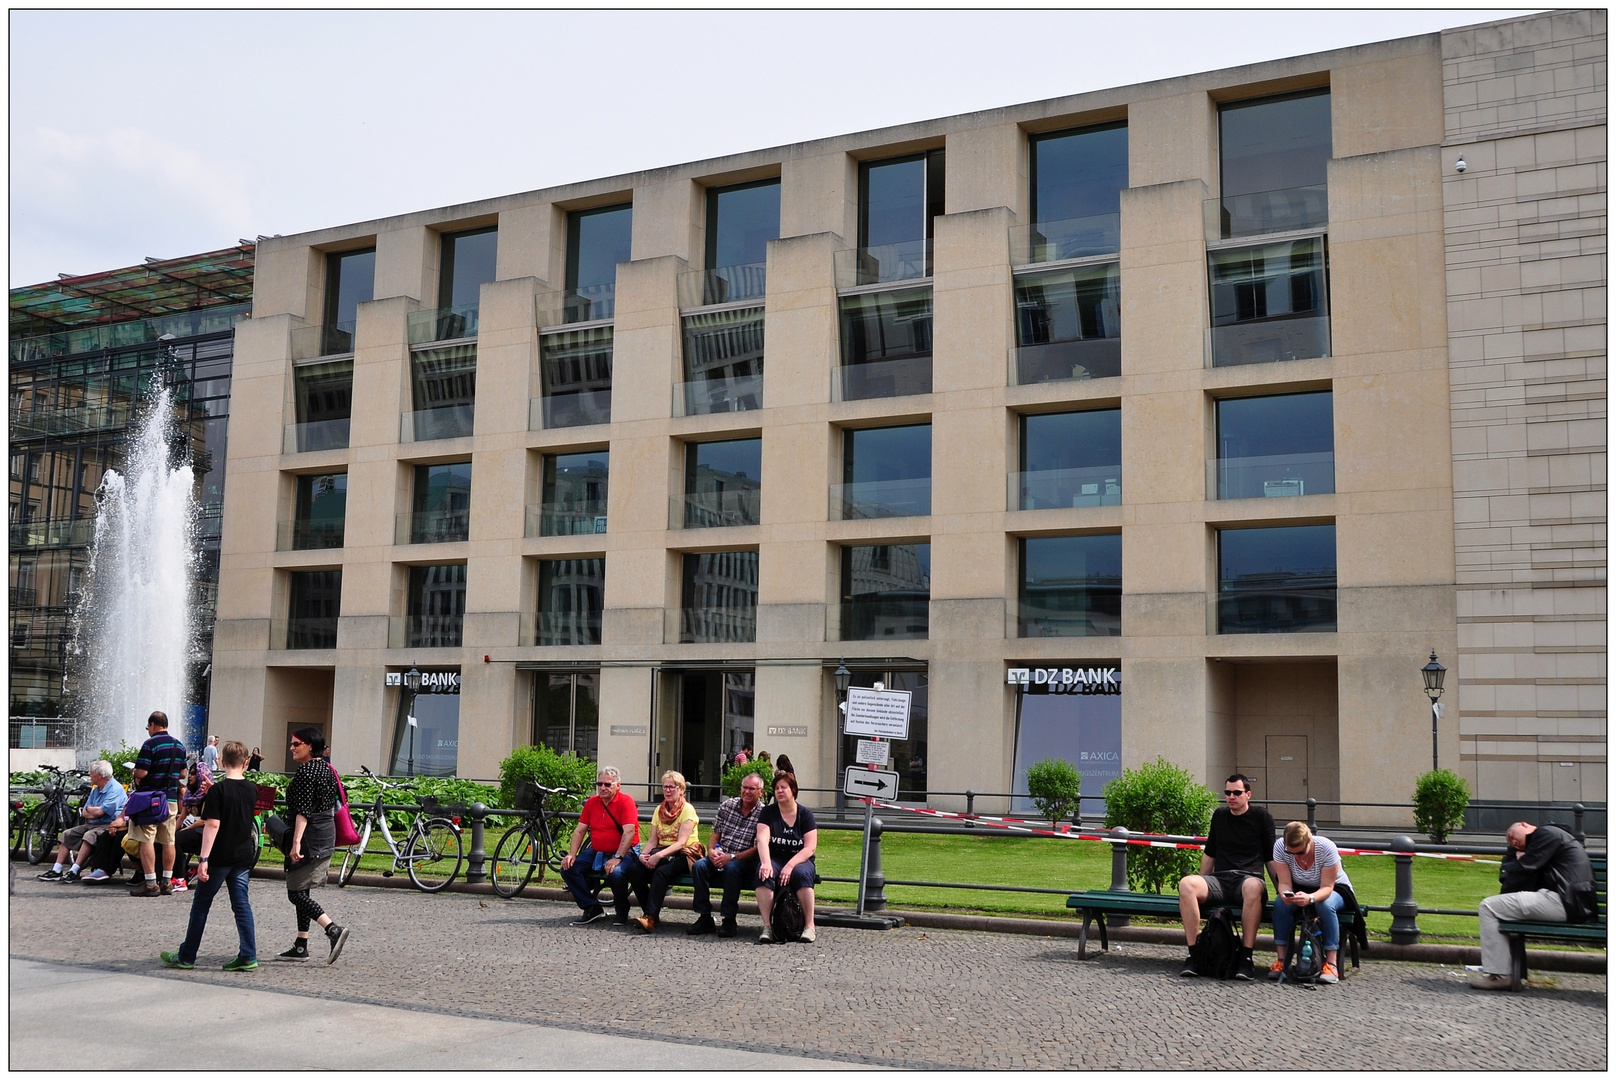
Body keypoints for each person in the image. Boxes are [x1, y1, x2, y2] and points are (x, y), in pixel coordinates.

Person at [161, 741, 259, 971]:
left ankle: (187, 955)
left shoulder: (219, 790)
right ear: (245, 763)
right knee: (242, 905)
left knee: (201, 905)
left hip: (221, 855)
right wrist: (211, 793)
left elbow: (212, 825)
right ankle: (248, 954)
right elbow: (235, 810)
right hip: (243, 854)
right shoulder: (251, 789)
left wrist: (203, 859)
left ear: (222, 762)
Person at [1470, 821, 1597, 990]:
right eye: (1509, 842)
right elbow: (1514, 877)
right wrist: (1516, 858)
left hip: (1564, 902)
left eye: (1512, 836)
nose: (1513, 843)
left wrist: (1518, 862)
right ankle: (1509, 973)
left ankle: (1500, 975)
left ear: (1524, 825)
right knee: (1499, 907)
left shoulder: (1545, 833)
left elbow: (1521, 869)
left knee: (1488, 906)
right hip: (1568, 901)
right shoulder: (1549, 838)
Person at [1176, 773, 1275, 980]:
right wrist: (1201, 881)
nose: (1231, 796)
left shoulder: (1261, 817)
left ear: (1248, 794)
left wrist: (1281, 888)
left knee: (1253, 887)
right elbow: (1210, 852)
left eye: (1237, 793)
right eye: (1227, 793)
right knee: (1187, 884)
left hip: (1248, 879)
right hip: (1220, 880)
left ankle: (1246, 958)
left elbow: (1270, 856)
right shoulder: (1219, 816)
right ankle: (1195, 955)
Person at [277, 727, 349, 964]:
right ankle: (301, 946)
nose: (292, 748)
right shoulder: (326, 768)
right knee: (303, 888)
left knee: (295, 892)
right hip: (324, 832)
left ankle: (332, 929)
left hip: (310, 836)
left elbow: (303, 811)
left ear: (309, 745)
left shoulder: (308, 771)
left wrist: (296, 843)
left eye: (296, 744)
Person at [1268, 822, 1352, 984]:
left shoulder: (1326, 848)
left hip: (1335, 889)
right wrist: (1285, 894)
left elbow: (1327, 887)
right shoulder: (1279, 847)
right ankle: (1282, 960)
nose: (1296, 857)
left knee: (1325, 905)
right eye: (1290, 853)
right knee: (1280, 904)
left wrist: (1310, 898)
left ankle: (1331, 963)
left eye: (1300, 852)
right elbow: (1284, 881)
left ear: (1310, 842)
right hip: (1299, 887)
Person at [558, 766, 641, 926]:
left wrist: (618, 857)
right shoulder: (592, 802)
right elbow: (580, 830)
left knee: (616, 873)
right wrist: (572, 854)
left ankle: (622, 912)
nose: (602, 788)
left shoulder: (626, 801)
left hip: (625, 851)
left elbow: (629, 832)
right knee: (568, 868)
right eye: (600, 784)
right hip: (598, 850)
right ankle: (592, 907)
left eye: (607, 784)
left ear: (618, 785)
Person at [689, 772, 766, 937]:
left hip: (745, 859)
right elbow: (715, 835)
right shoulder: (727, 806)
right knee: (699, 866)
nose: (747, 791)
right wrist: (711, 851)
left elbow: (759, 848)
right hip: (721, 853)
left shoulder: (764, 814)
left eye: (752, 789)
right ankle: (704, 917)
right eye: (744, 787)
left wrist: (731, 857)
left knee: (732, 869)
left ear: (761, 792)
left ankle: (729, 919)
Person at [121, 711, 188, 897]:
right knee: (169, 840)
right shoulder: (179, 745)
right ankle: (167, 882)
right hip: (171, 799)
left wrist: (135, 771)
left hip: (150, 799)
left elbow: (141, 773)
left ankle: (150, 883)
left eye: (147, 727)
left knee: (146, 839)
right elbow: (183, 774)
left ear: (152, 724)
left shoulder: (149, 744)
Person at [627, 771, 699, 933]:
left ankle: (650, 917)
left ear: (681, 789)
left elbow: (681, 843)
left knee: (661, 872)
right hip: (661, 852)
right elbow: (653, 840)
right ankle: (650, 913)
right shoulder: (659, 809)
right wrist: (644, 856)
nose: (667, 790)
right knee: (634, 869)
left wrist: (657, 856)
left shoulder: (687, 810)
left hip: (685, 854)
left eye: (672, 787)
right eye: (665, 787)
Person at [755, 771, 818, 944]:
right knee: (764, 874)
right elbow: (762, 839)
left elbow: (810, 847)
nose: (779, 791)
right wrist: (766, 863)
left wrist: (790, 866)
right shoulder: (768, 812)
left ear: (793, 790)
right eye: (776, 788)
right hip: (775, 858)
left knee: (802, 875)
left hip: (799, 859)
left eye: (784, 787)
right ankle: (768, 927)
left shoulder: (805, 814)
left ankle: (809, 926)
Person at [38, 760, 125, 883]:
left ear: (99, 775)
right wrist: (94, 810)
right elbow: (85, 811)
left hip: (108, 825)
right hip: (91, 824)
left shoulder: (115, 789)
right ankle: (57, 870)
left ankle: (74, 870)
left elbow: (103, 812)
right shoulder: (96, 790)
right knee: (67, 834)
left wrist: (93, 810)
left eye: (91, 773)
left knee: (89, 836)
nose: (90, 776)